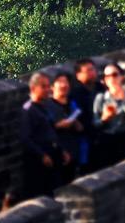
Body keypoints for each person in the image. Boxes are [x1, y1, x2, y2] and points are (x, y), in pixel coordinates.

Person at [18, 71, 64, 200]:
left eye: (48, 86)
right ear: (33, 88)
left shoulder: (45, 107)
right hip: (39, 161)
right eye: (43, 86)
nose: (47, 90)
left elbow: (51, 130)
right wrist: (42, 155)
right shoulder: (28, 111)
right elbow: (25, 138)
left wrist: (61, 150)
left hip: (52, 155)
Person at [92, 64, 125, 168]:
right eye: (107, 76)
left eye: (115, 75)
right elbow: (95, 124)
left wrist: (124, 100)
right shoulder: (101, 98)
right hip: (107, 141)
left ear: (121, 77)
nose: (112, 79)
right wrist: (104, 119)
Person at [46, 74, 85, 185]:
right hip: (58, 152)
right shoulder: (48, 106)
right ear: (52, 87)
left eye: (66, 82)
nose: (64, 85)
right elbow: (46, 130)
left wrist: (77, 124)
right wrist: (58, 126)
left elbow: (81, 128)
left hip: (74, 149)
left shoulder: (72, 103)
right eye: (60, 82)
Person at [70, 61, 101, 170]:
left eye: (93, 69)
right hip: (86, 140)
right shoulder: (74, 94)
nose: (92, 73)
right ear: (78, 75)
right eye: (88, 70)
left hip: (103, 135)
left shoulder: (100, 88)